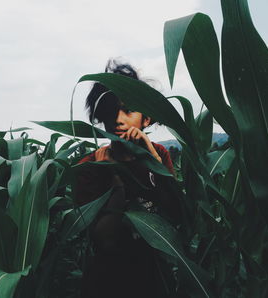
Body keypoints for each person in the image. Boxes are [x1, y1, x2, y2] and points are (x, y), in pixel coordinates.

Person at [75, 59, 178, 298]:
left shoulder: (160, 155)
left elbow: (177, 214)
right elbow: (104, 240)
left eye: (128, 110)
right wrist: (114, 182)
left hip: (155, 276)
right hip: (107, 281)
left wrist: (153, 160)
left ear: (147, 118)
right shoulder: (90, 166)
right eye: (111, 111)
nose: (119, 119)